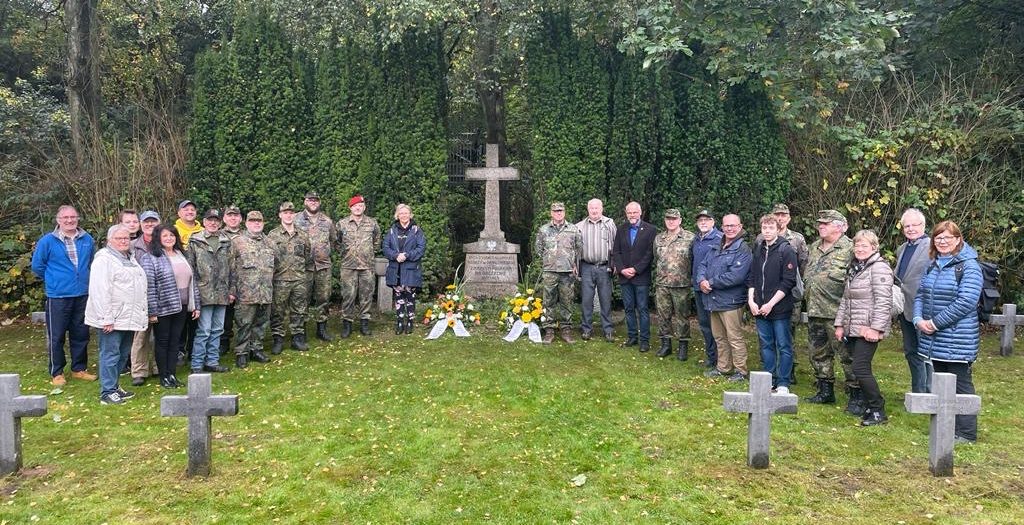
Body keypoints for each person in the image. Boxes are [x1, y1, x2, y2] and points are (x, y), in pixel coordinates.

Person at [913, 220, 983, 444]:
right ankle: (946, 428)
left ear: (958, 240)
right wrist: (918, 319)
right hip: (935, 338)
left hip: (958, 337)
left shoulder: (969, 266)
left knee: (961, 385)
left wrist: (934, 323)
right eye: (938, 237)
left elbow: (966, 301)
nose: (942, 241)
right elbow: (921, 294)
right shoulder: (932, 265)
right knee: (940, 383)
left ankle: (966, 433)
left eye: (948, 238)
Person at [31, 205, 97, 386]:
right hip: (58, 296)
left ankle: (79, 369)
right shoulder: (48, 241)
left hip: (82, 294)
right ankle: (57, 372)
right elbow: (37, 266)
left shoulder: (87, 239)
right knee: (57, 335)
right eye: (65, 217)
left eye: (73, 217)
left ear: (78, 219)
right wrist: (54, 279)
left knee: (81, 333)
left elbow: (92, 263)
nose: (69, 220)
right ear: (58, 220)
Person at [834, 230, 894, 425]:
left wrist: (876, 328)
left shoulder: (879, 268)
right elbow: (846, 298)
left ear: (874, 248)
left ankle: (878, 410)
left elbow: (884, 301)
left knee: (860, 368)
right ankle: (870, 406)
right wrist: (839, 323)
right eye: (857, 245)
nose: (859, 249)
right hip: (853, 327)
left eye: (864, 246)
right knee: (858, 367)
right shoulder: (856, 267)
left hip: (868, 328)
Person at [85, 225, 147, 404]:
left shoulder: (129, 258)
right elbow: (99, 291)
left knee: (122, 353)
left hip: (128, 317)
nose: (123, 241)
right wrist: (106, 318)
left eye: (126, 238)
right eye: (119, 238)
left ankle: (115, 386)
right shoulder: (104, 260)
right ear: (109, 240)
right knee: (110, 354)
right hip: (112, 318)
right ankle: (107, 392)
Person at [804, 210, 857, 411]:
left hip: (837, 313)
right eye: (820, 223)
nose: (821, 226)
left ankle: (856, 395)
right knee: (818, 353)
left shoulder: (851, 248)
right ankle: (825, 391)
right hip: (815, 309)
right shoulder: (814, 248)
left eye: (826, 223)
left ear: (840, 226)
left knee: (847, 355)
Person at [139, 225, 200, 389]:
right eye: (165, 236)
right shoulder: (150, 257)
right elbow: (149, 287)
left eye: (172, 235)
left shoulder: (182, 254)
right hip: (163, 307)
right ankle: (163, 376)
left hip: (182, 305)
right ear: (158, 238)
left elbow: (192, 282)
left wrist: (196, 305)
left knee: (175, 342)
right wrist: (152, 311)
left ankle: (172, 374)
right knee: (163, 342)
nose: (169, 238)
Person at [696, 214, 752, 381]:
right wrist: (701, 281)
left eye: (733, 225)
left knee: (734, 337)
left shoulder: (743, 249)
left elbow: (736, 276)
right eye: (727, 225)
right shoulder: (716, 246)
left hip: (731, 301)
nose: (730, 228)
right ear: (722, 227)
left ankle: (741, 371)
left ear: (740, 226)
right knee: (720, 337)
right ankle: (723, 367)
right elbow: (702, 265)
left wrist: (710, 283)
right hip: (713, 300)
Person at [746, 215, 798, 392]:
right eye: (764, 228)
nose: (767, 231)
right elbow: (752, 277)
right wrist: (751, 300)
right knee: (766, 345)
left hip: (779, 309)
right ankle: (769, 379)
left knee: (783, 345)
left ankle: (783, 382)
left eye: (771, 228)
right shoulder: (759, 248)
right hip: (760, 308)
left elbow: (788, 281)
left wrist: (771, 304)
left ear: (778, 229)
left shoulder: (786, 250)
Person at [185, 209, 231, 374]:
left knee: (218, 329)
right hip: (203, 292)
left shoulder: (226, 241)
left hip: (222, 292)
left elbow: (232, 267)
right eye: (210, 220)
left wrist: (231, 290)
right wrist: (194, 294)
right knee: (204, 330)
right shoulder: (195, 241)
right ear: (203, 221)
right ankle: (197, 363)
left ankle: (212, 361)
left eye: (216, 220)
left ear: (220, 223)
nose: (213, 223)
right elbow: (190, 269)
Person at [228, 211, 275, 368]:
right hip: (245, 293)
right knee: (244, 324)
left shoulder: (270, 243)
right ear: (246, 223)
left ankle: (257, 349)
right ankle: (242, 352)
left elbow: (278, 263)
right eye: (253, 221)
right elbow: (230, 268)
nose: (256, 224)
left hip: (265, 291)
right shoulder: (237, 242)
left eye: (259, 221)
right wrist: (232, 290)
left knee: (261, 324)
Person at [894, 208, 931, 393]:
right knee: (911, 351)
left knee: (926, 352)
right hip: (904, 307)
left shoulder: (932, 247)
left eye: (914, 225)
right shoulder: (902, 248)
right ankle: (918, 390)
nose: (910, 229)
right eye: (906, 226)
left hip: (923, 308)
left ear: (923, 225)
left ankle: (930, 391)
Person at [770, 203, 808, 385]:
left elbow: (803, 265)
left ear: (789, 218)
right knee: (769, 333)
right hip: (768, 294)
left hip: (790, 293)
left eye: (783, 215)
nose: (780, 218)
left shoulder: (797, 239)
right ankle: (771, 368)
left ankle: (788, 369)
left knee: (788, 333)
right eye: (777, 214)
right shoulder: (763, 237)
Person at [612, 202, 657, 351]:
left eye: (634, 212)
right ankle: (632, 337)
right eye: (629, 212)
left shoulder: (650, 230)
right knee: (629, 308)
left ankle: (644, 340)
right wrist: (622, 269)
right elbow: (616, 252)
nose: (632, 215)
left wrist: (636, 269)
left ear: (640, 213)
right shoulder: (621, 229)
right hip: (625, 277)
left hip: (641, 277)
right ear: (626, 213)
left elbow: (650, 254)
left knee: (643, 309)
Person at [535, 202, 583, 343]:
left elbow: (579, 248)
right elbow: (538, 249)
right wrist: (549, 260)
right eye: (555, 211)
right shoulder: (544, 230)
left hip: (567, 272)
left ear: (564, 212)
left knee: (566, 301)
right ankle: (549, 331)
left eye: (561, 211)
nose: (558, 213)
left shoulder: (573, 229)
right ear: (551, 213)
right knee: (548, 301)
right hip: (550, 271)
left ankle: (566, 330)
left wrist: (571, 261)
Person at [268, 202, 313, 353]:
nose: (288, 215)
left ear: (294, 215)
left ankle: (297, 338)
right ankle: (278, 339)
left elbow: (307, 256)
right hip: (280, 280)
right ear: (280, 215)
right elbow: (269, 258)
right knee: (278, 311)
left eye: (291, 213)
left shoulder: (303, 235)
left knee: (299, 310)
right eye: (285, 212)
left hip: (299, 279)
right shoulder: (273, 235)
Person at [336, 195, 381, 337]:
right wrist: (346, 253)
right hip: (348, 266)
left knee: (366, 295)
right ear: (350, 208)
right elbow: (337, 242)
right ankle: (347, 324)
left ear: (364, 207)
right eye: (355, 206)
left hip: (367, 266)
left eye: (360, 205)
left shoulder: (372, 223)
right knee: (348, 295)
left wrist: (368, 253)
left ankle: (364, 323)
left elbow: (377, 240)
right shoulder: (342, 224)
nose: (358, 208)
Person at [653, 208, 695, 360]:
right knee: (663, 316)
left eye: (674, 219)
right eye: (668, 219)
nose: (671, 221)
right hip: (662, 284)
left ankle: (683, 346)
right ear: (665, 220)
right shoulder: (659, 238)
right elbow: (655, 258)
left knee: (682, 316)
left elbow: (694, 260)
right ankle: (666, 345)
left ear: (680, 220)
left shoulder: (690, 238)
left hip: (681, 285)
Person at [295, 191, 337, 341]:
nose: (313, 202)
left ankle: (322, 329)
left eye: (316, 200)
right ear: (305, 201)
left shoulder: (327, 221)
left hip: (323, 266)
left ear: (319, 202)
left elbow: (333, 240)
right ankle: (301, 331)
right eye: (310, 200)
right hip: (303, 267)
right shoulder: (295, 219)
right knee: (302, 299)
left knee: (323, 298)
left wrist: (323, 253)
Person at [576, 198, 617, 342]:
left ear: (602, 209)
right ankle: (586, 329)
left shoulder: (609, 224)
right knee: (586, 300)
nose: (594, 210)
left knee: (605, 299)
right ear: (588, 209)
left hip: (604, 267)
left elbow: (615, 245)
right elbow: (576, 249)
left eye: (597, 208)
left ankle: (608, 329)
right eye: (591, 208)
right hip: (586, 266)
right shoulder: (579, 226)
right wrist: (576, 266)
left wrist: (615, 264)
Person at [382, 204, 427, 335]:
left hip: (411, 269)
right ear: (397, 215)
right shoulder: (392, 231)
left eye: (406, 213)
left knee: (410, 296)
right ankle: (400, 322)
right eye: (401, 213)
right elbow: (385, 247)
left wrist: (406, 255)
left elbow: (421, 248)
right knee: (398, 297)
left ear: (410, 215)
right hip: (396, 270)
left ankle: (410, 322)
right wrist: (395, 256)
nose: (404, 215)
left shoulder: (416, 230)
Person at [128, 210, 160, 386]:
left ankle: (157, 367)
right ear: (141, 224)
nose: (150, 225)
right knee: (140, 336)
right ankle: (139, 371)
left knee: (161, 336)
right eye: (146, 222)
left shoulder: (165, 242)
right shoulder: (132, 246)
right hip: (139, 297)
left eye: (153, 222)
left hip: (162, 296)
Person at [691, 209, 722, 371]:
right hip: (698, 287)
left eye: (707, 220)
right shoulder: (696, 239)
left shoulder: (719, 239)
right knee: (704, 324)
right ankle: (711, 356)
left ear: (713, 222)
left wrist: (710, 283)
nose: (703, 223)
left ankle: (721, 358)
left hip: (713, 289)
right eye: (700, 220)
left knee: (716, 325)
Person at [174, 199, 202, 367]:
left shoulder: (203, 230)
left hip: (200, 282)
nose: (190, 212)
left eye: (192, 209)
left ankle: (193, 350)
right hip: (181, 282)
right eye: (186, 209)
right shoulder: (174, 230)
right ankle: (179, 350)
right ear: (179, 213)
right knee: (181, 318)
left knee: (195, 318)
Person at [219, 205, 243, 355]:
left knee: (243, 315)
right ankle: (224, 342)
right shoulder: (218, 235)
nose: (233, 218)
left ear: (241, 219)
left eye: (236, 215)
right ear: (224, 218)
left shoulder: (248, 234)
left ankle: (244, 343)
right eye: (230, 215)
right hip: (225, 280)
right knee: (225, 315)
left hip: (245, 281)